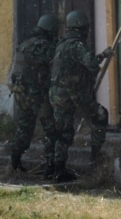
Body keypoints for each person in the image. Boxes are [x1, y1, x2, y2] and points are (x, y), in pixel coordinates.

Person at [49, 10, 110, 182]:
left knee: (63, 131)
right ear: (82, 28)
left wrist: (103, 55)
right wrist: (95, 65)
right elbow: (90, 64)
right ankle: (96, 158)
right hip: (73, 93)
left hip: (56, 93)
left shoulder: (62, 44)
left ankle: (56, 168)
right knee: (100, 115)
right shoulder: (78, 44)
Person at [9, 13, 59, 175]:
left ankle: (14, 161)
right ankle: (51, 166)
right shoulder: (45, 47)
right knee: (51, 130)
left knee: (24, 128)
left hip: (22, 93)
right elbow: (55, 66)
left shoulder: (24, 45)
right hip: (39, 94)